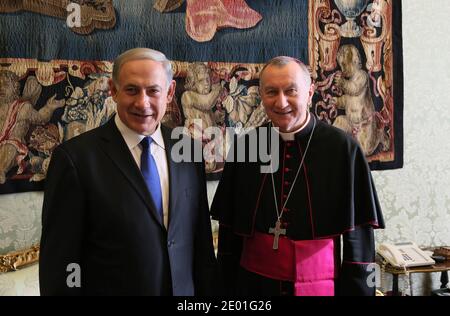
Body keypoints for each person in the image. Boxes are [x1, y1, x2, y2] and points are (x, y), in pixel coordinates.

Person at [39, 48, 217, 295]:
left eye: (153, 90)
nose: (142, 103)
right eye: (132, 90)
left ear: (170, 93)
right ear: (113, 90)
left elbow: (201, 246)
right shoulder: (75, 159)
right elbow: (60, 266)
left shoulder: (188, 151)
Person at [211, 56, 385, 296]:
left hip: (318, 286)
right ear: (261, 95)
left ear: (310, 91)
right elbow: (230, 233)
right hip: (253, 286)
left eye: (291, 91)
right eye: (271, 92)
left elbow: (359, 240)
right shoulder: (247, 146)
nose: (281, 102)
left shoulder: (342, 148)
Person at [0, 70, 64, 184]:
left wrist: (49, 107)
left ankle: (1, 170)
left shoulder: (23, 108)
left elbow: (40, 118)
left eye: (5, 85)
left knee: (9, 148)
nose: (1, 88)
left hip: (14, 145)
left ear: (14, 87)